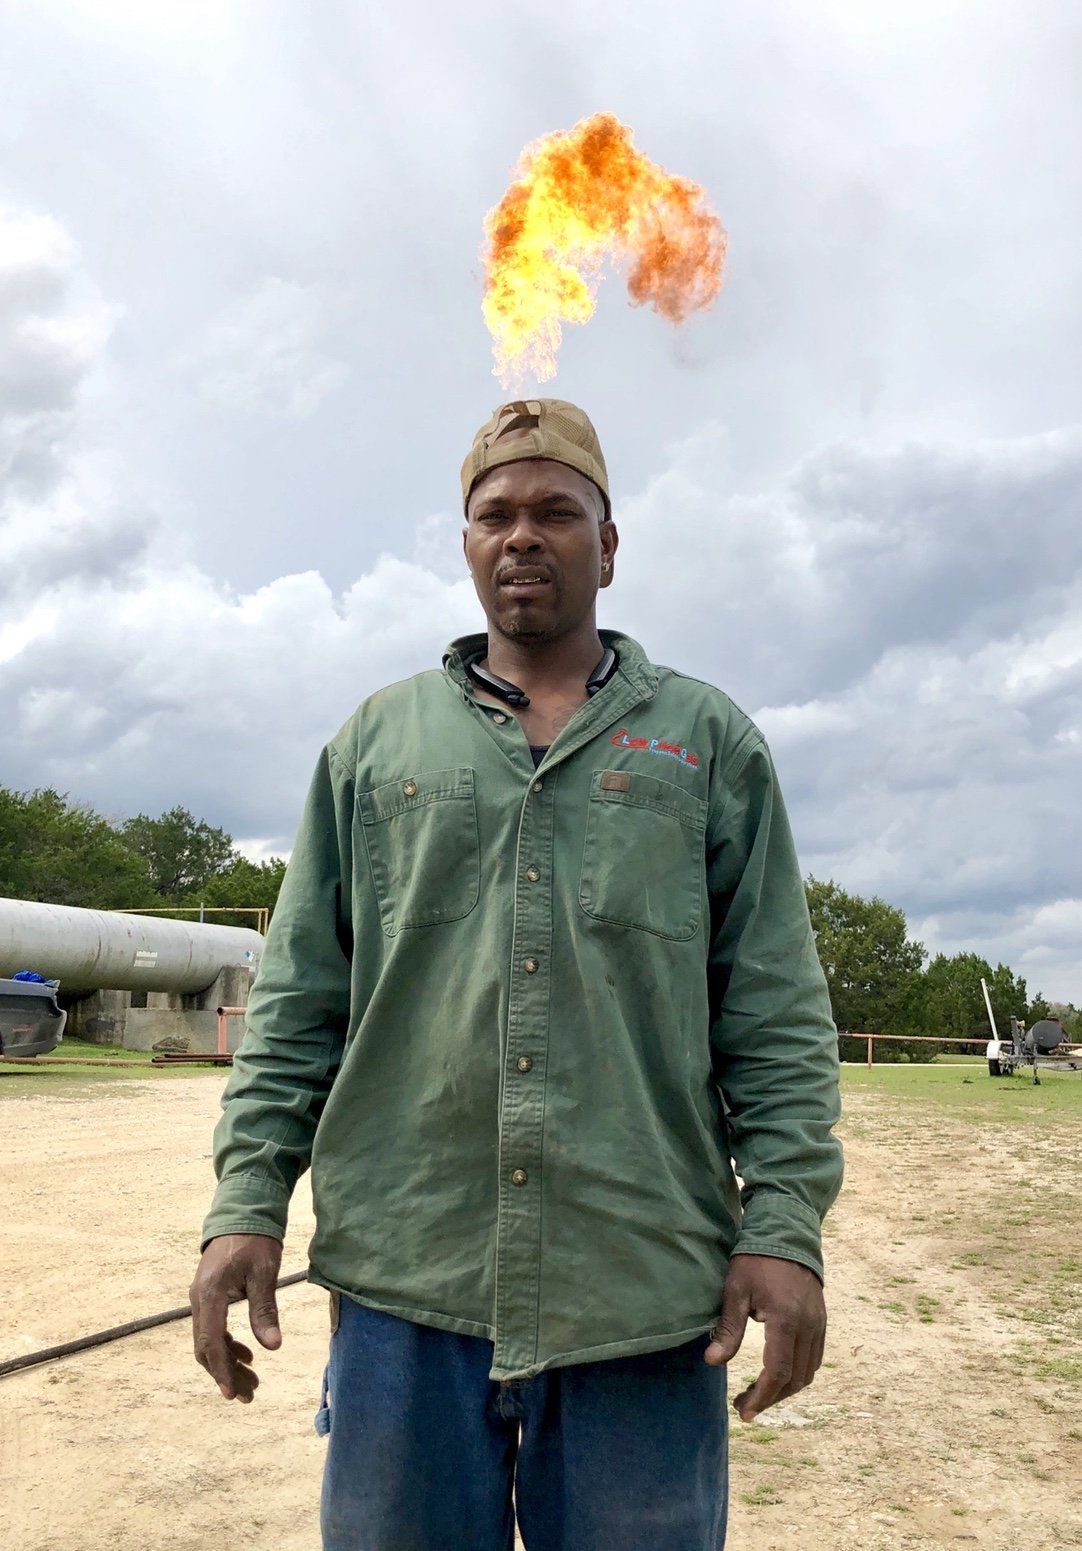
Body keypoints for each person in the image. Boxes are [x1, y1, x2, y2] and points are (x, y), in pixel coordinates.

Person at [189, 397, 844, 1551]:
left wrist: (781, 1228)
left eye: (556, 511)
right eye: (494, 514)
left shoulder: (704, 744)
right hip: (408, 1281)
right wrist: (246, 1204)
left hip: (639, 1294)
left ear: (609, 541)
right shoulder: (374, 747)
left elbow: (776, 1013)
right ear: (465, 544)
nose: (522, 535)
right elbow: (297, 1001)